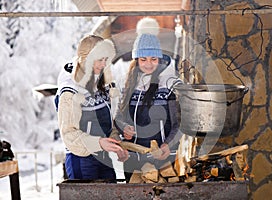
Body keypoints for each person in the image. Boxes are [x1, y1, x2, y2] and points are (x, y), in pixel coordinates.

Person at [114, 17, 182, 182]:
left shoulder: (168, 84)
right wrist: (124, 128)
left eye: (153, 59)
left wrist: (168, 145)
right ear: (136, 60)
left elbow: (179, 124)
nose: (149, 64)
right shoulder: (128, 83)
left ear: (159, 59)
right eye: (143, 59)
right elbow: (119, 117)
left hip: (162, 158)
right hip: (133, 159)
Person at [57, 35, 128, 180]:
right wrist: (99, 143)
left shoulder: (101, 85)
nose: (103, 65)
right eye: (99, 59)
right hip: (82, 160)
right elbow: (69, 135)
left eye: (105, 60)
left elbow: (108, 123)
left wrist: (116, 142)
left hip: (104, 158)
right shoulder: (70, 91)